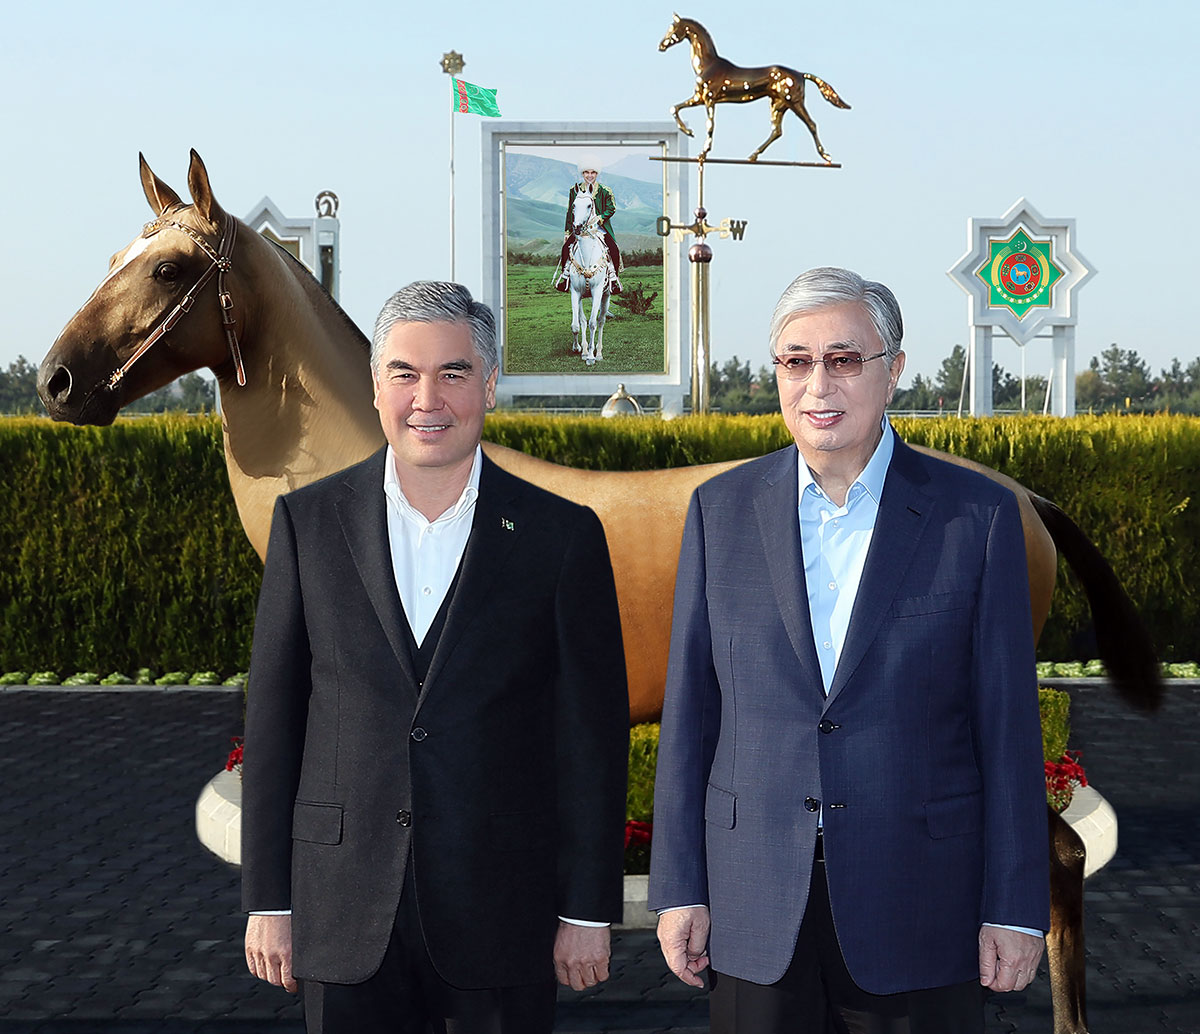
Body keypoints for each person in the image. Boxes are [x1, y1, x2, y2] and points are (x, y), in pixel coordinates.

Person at [648, 267, 1050, 1033]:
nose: (817, 385)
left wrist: (1014, 906)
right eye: (796, 361)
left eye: (843, 360)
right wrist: (678, 887)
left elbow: (1007, 731)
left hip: (922, 909)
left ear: (893, 370)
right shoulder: (718, 512)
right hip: (753, 908)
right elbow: (691, 718)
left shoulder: (978, 518)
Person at [241, 281, 629, 1034]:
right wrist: (269, 901)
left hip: (504, 916)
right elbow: (274, 723)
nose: (428, 399)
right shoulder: (306, 525)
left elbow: (591, 738)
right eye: (404, 373)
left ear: (489, 385)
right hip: (342, 912)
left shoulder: (562, 536)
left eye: (453, 372)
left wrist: (587, 909)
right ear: (375, 386)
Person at [555, 156, 623, 295]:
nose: (590, 175)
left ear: (597, 174)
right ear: (582, 173)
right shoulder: (574, 190)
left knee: (614, 249)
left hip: (600, 229)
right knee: (565, 248)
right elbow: (570, 211)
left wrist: (600, 217)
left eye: (593, 172)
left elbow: (611, 208)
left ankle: (614, 279)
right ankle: (565, 277)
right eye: (587, 172)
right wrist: (567, 231)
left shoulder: (605, 190)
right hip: (579, 229)